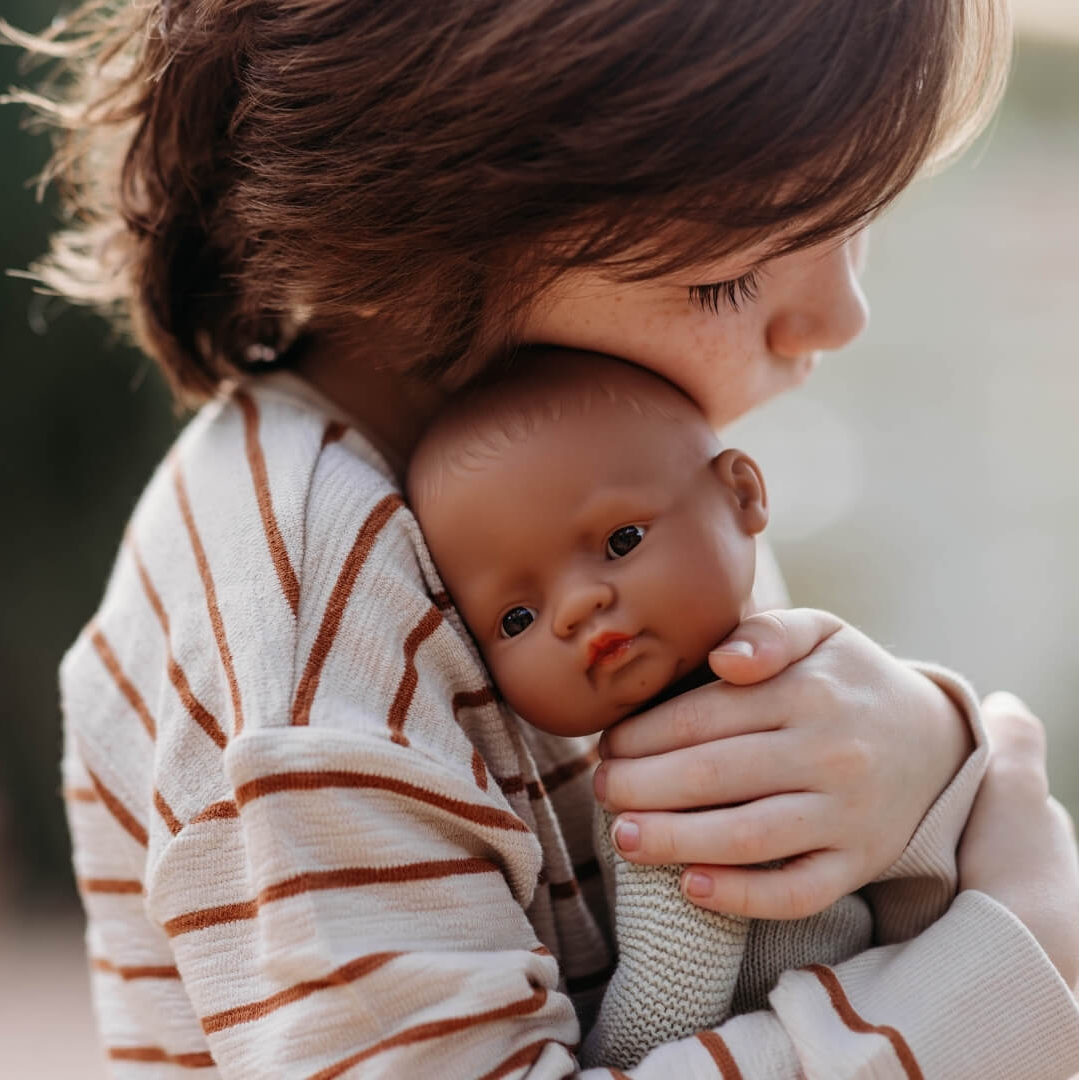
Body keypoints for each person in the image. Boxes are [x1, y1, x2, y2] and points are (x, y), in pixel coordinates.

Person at [7, 1, 1079, 1076]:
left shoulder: (600, 463)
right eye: (726, 277)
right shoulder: (308, 622)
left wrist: (923, 773)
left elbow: (774, 914)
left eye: (857, 211)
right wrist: (1008, 971)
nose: (841, 318)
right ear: (429, 219)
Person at [405, 347, 992, 1070]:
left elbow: (667, 1007)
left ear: (742, 494)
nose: (577, 607)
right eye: (518, 618)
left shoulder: (677, 769)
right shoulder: (801, 696)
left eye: (621, 541)